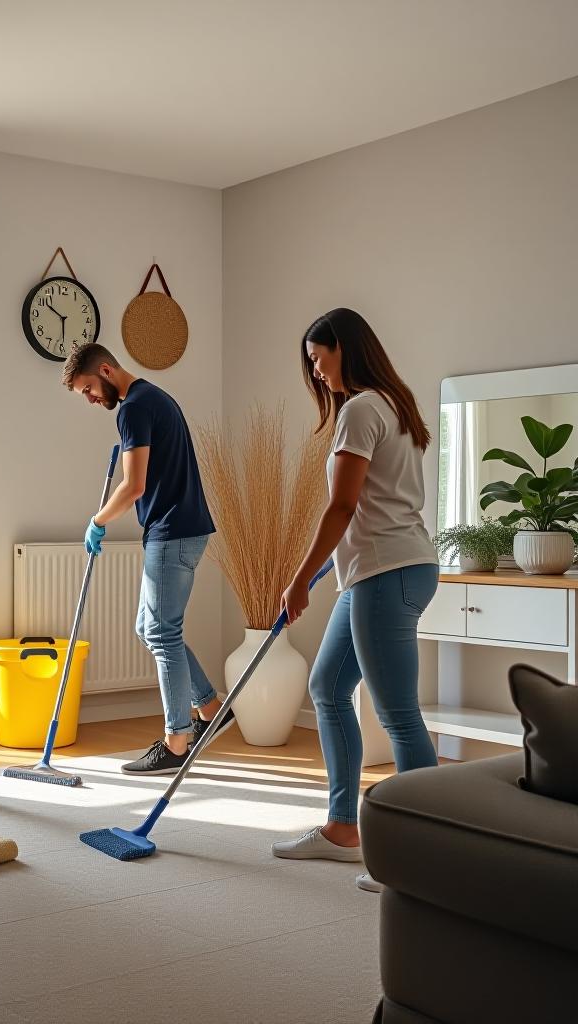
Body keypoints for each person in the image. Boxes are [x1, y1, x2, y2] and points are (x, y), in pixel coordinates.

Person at [271, 308, 439, 892]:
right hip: (386, 570)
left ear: (345, 348)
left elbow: (342, 506)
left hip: (384, 574)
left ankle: (423, 858)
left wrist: (298, 579)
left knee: (397, 714)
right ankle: (344, 827)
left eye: (319, 359)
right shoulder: (395, 403)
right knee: (327, 688)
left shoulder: (362, 409)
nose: (316, 373)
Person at [62, 343, 229, 775]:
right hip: (183, 530)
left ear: (104, 370)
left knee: (161, 632)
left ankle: (177, 741)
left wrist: (97, 521)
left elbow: (133, 485)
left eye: (88, 389)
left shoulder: (133, 408)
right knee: (151, 628)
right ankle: (211, 708)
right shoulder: (155, 396)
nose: (91, 399)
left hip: (172, 532)